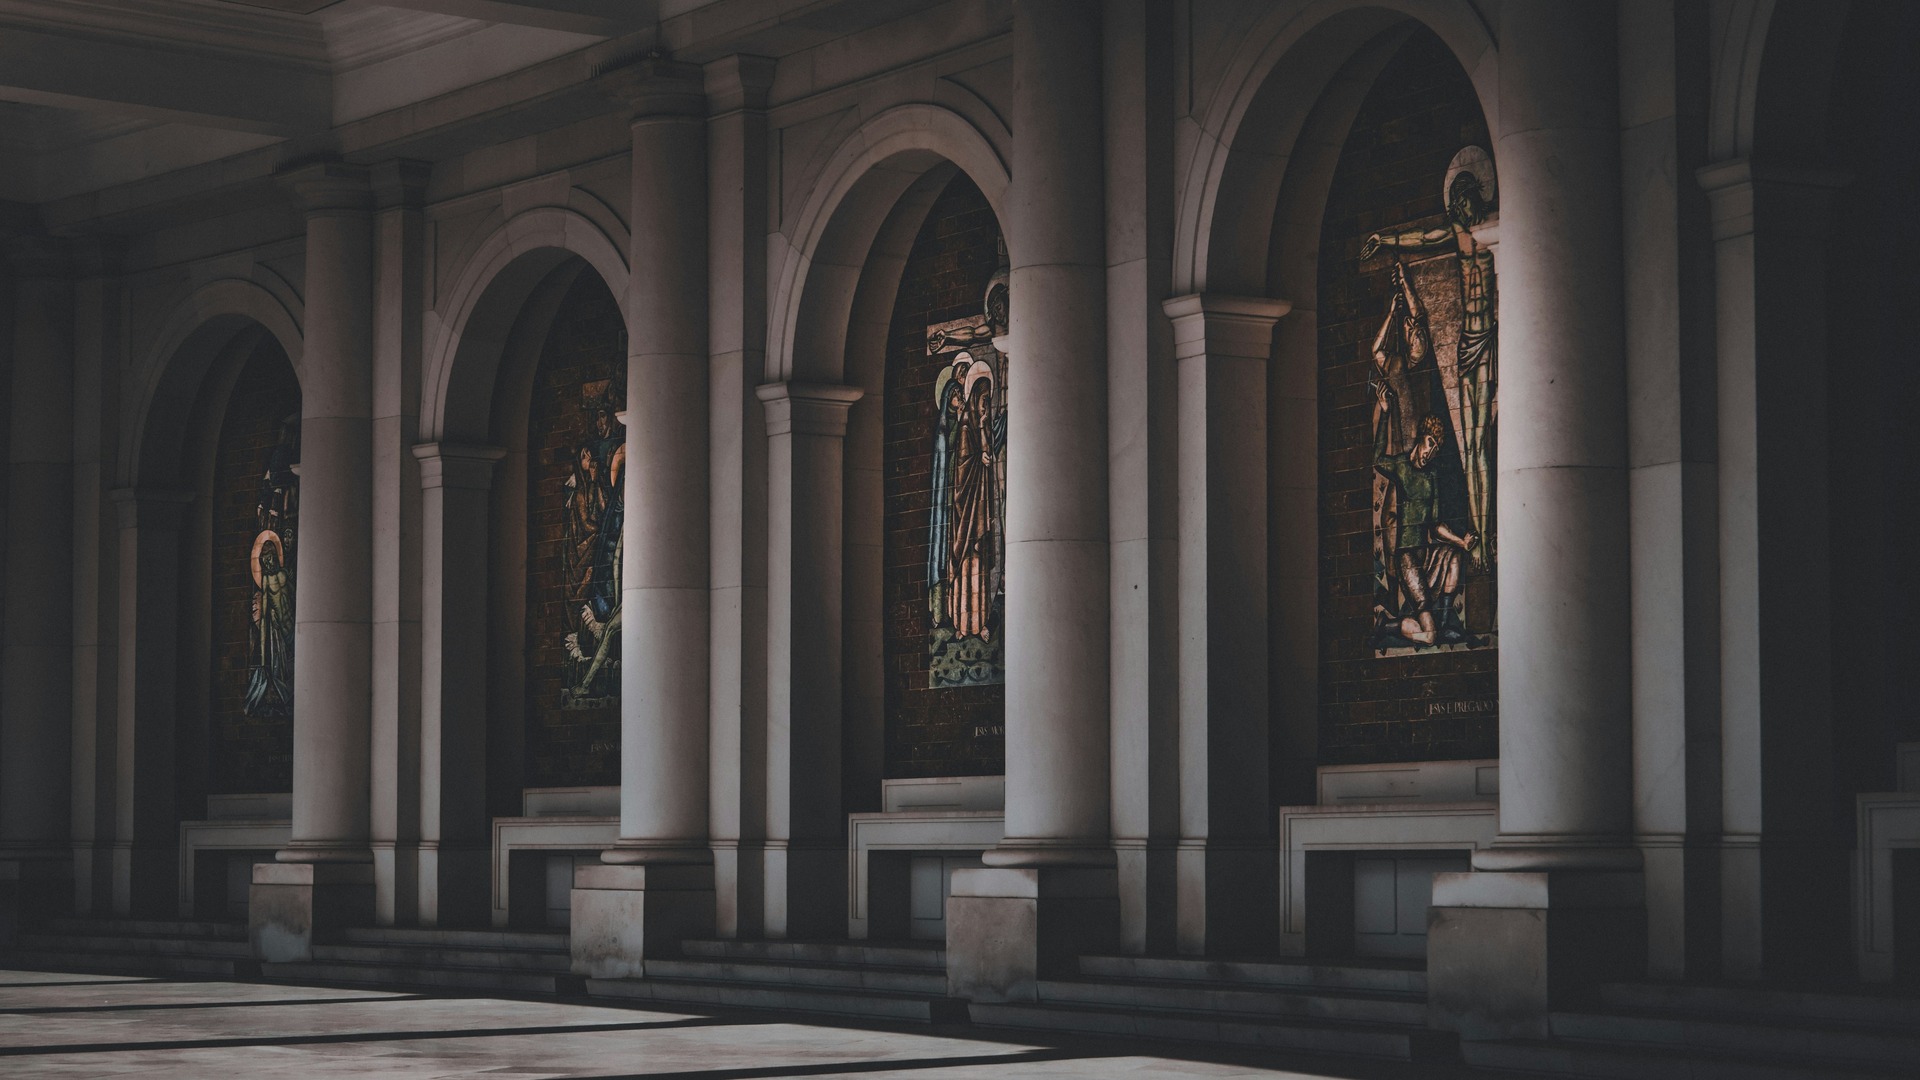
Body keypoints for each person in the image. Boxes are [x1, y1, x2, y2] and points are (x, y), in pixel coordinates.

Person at [1371, 383, 1478, 647]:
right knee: (1427, 638)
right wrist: (1385, 413)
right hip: (1407, 558)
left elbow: (1434, 525)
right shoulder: (1402, 466)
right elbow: (1376, 458)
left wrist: (1460, 542)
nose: (1430, 452)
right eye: (1429, 443)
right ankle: (1387, 624)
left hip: (1425, 552)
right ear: (1421, 437)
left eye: (1435, 449)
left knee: (1453, 555)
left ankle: (1442, 622)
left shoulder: (1431, 477)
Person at [245, 536, 295, 716]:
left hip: (292, 628)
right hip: (279, 629)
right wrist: (263, 648)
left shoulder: (284, 575)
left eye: (271, 557)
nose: (269, 561)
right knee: (281, 667)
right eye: (265, 559)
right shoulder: (266, 581)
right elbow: (265, 611)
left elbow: (293, 597)